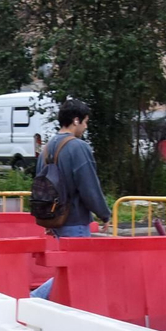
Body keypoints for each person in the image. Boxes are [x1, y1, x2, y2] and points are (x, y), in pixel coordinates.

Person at [30, 98, 111, 299]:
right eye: (85, 122)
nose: (85, 127)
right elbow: (89, 187)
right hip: (74, 219)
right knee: (78, 269)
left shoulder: (47, 149)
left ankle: (48, 306)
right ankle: (34, 300)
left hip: (54, 219)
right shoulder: (78, 147)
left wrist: (49, 219)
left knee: (72, 269)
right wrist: (104, 214)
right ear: (76, 120)